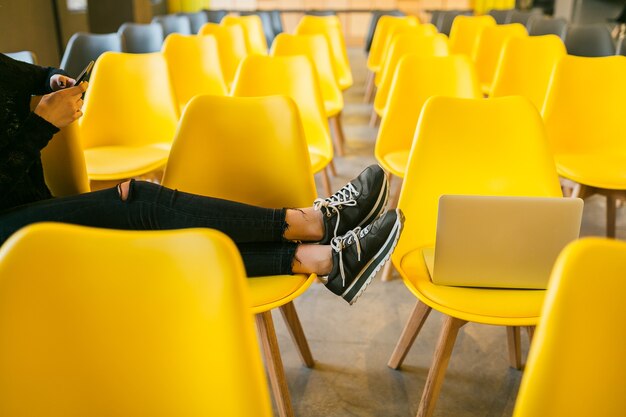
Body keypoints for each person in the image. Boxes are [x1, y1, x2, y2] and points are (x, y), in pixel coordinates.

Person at [0, 53, 403, 305]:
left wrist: (53, 79)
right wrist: (40, 125)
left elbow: (29, 75)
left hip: (31, 208)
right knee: (135, 200)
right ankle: (315, 224)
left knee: (156, 238)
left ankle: (329, 261)